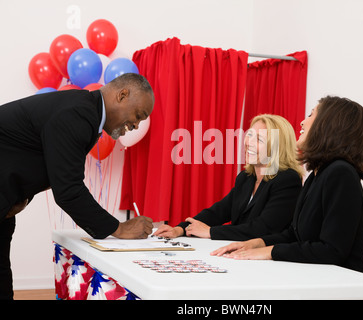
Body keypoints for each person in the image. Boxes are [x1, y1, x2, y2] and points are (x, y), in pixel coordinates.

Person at [0, 73, 155, 299]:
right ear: (122, 95)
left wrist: (18, 196)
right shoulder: (78, 113)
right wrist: (120, 228)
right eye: (138, 116)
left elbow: (39, 160)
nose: (135, 125)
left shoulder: (84, 110)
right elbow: (68, 190)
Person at [211, 96, 363, 274]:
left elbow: (332, 251)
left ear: (328, 125)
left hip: (345, 282)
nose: (302, 122)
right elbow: (294, 234)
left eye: (311, 115)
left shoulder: (340, 173)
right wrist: (257, 243)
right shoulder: (318, 174)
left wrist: (270, 252)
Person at [154, 114, 303, 240]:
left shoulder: (288, 180)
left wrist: (210, 232)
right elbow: (218, 212)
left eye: (259, 140)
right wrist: (180, 229)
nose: (248, 143)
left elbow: (263, 229)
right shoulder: (246, 178)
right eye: (249, 135)